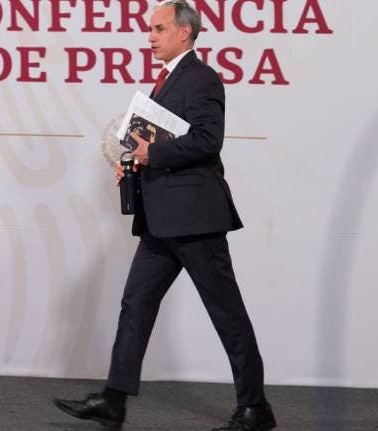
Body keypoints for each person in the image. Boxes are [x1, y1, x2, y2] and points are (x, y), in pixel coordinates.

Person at [53, 1, 276, 430]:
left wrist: (151, 153)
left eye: (158, 29)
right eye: (150, 29)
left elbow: (208, 140)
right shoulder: (167, 81)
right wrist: (135, 165)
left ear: (184, 32)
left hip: (195, 218)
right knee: (135, 304)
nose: (150, 37)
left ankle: (255, 408)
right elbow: (167, 145)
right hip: (161, 220)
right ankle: (113, 401)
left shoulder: (202, 78)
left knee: (226, 312)